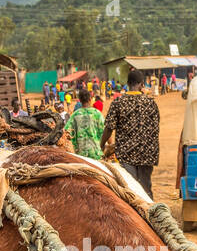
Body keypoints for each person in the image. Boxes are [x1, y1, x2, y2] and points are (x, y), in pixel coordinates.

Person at [100, 69, 160, 197]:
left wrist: (102, 144)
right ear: (142, 84)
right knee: (145, 188)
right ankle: (149, 213)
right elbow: (156, 128)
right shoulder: (151, 103)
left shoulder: (118, 103)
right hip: (147, 153)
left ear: (127, 83)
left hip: (127, 153)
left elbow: (109, 128)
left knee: (130, 189)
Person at [66, 89, 105, 159]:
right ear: (90, 99)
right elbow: (105, 130)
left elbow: (67, 132)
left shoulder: (75, 115)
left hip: (81, 155)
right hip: (96, 153)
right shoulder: (97, 113)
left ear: (80, 100)